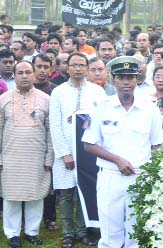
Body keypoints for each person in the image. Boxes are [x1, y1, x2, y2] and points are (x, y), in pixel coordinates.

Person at [82, 56, 163, 248]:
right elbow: (89, 144)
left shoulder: (150, 109)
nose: (126, 81)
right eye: (121, 77)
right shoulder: (102, 107)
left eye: (130, 77)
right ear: (113, 80)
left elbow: (157, 145)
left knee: (137, 233)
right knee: (110, 233)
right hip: (111, 177)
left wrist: (155, 175)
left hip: (140, 177)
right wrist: (117, 160)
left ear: (137, 79)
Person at [49, 53, 106, 248]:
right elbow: (54, 125)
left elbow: (103, 120)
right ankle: (67, 233)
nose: (79, 68)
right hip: (64, 150)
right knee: (65, 194)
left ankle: (83, 231)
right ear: (67, 68)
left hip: (88, 152)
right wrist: (64, 153)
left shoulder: (97, 92)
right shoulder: (58, 92)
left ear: (88, 68)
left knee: (85, 190)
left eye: (82, 65)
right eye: (74, 65)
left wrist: (85, 118)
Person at [0, 61, 53, 248]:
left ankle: (32, 232)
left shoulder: (46, 99)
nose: (24, 76)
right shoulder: (4, 99)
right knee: (11, 196)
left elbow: (50, 131)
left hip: (36, 157)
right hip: (10, 157)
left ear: (33, 74)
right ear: (14, 75)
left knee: (35, 196)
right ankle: (12, 234)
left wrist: (49, 157)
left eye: (28, 72)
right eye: (20, 72)